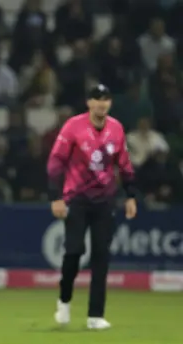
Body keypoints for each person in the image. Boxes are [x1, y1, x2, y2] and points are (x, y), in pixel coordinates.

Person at [47, 84, 137, 330]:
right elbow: (56, 162)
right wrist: (55, 197)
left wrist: (130, 196)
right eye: (96, 99)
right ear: (89, 103)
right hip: (76, 199)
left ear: (109, 103)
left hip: (105, 201)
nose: (101, 103)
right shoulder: (73, 126)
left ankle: (95, 315)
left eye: (105, 99)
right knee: (74, 251)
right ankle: (64, 301)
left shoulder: (116, 128)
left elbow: (125, 164)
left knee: (101, 256)